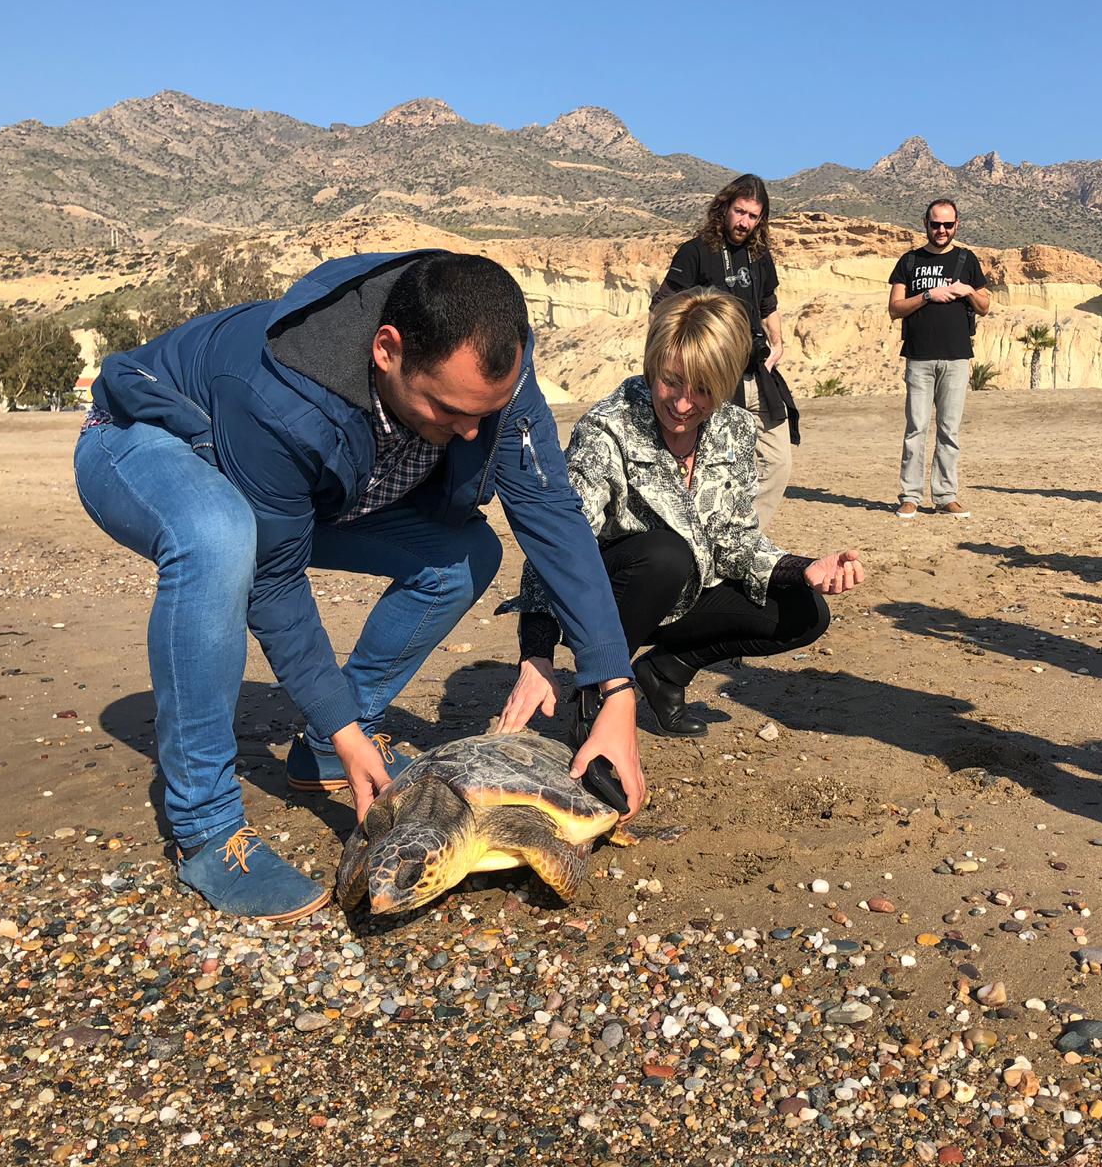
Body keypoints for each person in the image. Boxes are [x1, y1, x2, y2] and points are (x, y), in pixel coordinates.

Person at [77, 251, 643, 923]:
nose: (470, 431)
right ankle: (204, 826)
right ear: (387, 350)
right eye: (449, 410)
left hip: (310, 493)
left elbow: (550, 513)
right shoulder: (280, 393)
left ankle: (323, 753)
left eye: (483, 415)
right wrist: (345, 726)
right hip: (145, 443)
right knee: (219, 535)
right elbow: (275, 580)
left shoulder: (493, 371)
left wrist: (614, 688)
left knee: (464, 553)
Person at [498, 290, 863, 741]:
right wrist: (537, 653)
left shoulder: (733, 430)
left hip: (682, 594)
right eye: (672, 381)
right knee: (666, 555)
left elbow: (735, 539)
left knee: (804, 612)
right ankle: (599, 699)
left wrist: (805, 568)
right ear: (653, 365)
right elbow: (560, 543)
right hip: (607, 601)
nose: (684, 404)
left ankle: (665, 672)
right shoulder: (609, 427)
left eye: (704, 389)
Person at [652, 174, 797, 530]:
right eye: (740, 212)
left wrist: (778, 344)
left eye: (753, 216)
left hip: (757, 373)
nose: (744, 222)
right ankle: (704, 540)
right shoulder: (695, 251)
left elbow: (768, 304)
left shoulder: (760, 256)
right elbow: (661, 308)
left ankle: (746, 537)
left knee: (778, 461)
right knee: (717, 465)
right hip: (713, 378)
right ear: (725, 207)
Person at [887, 198, 992, 519]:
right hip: (919, 357)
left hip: (957, 357)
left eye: (948, 224)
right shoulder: (909, 261)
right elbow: (894, 308)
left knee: (949, 430)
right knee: (916, 428)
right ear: (926, 224)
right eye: (936, 224)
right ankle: (911, 495)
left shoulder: (967, 259)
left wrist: (967, 291)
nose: (941, 230)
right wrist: (928, 295)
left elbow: (985, 306)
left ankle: (946, 494)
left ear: (957, 224)